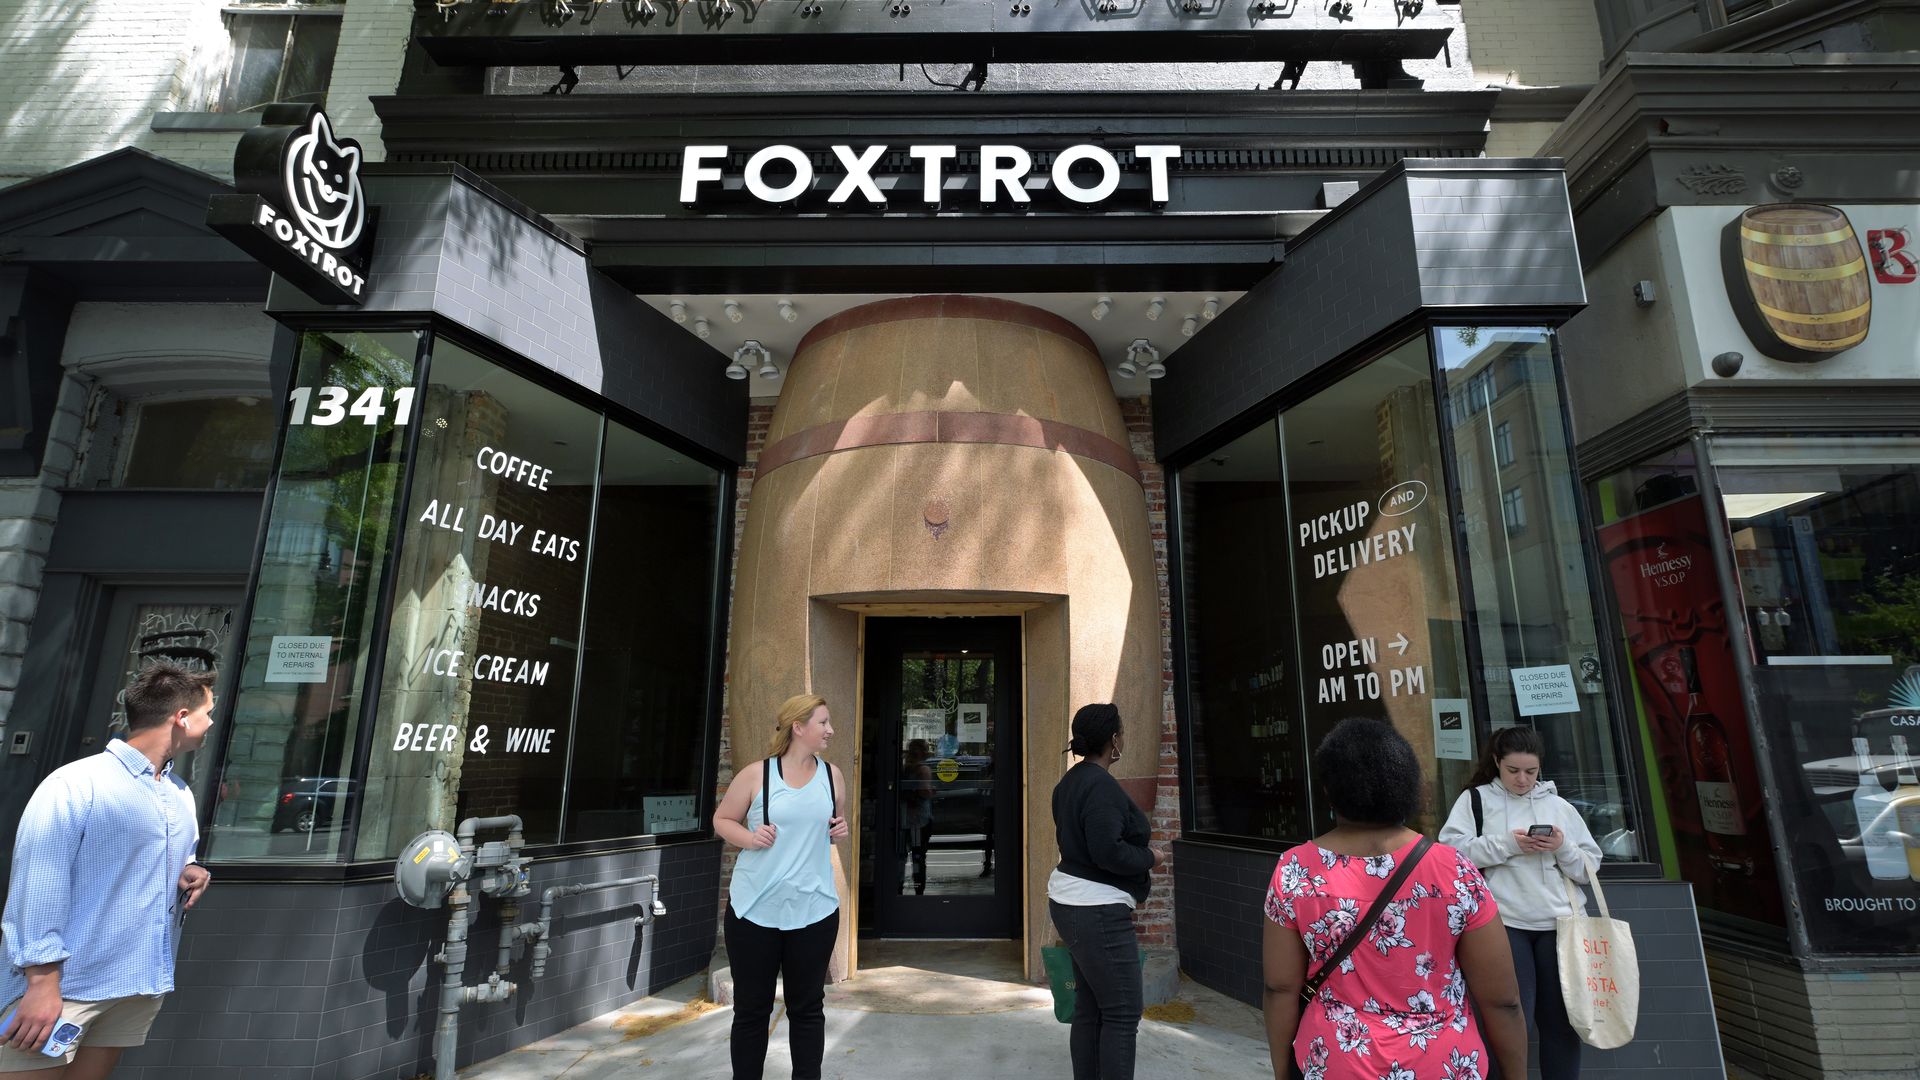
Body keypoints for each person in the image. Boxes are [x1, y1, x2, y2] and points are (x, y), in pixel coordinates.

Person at [1263, 718, 1527, 1080]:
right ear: (1406, 784)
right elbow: (1502, 1001)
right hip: (1443, 1063)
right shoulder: (1455, 870)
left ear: (1328, 789)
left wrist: (1282, 1072)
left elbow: (1280, 987)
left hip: (1336, 1063)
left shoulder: (1296, 870)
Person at [0, 661, 217, 1078]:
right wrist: (43, 985)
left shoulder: (178, 792)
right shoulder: (76, 784)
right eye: (207, 713)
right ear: (182, 717)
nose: (210, 724)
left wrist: (189, 870)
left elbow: (161, 859)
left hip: (136, 983)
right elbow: (37, 887)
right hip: (66, 988)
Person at [1439, 725, 1603, 1080]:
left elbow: (1589, 869)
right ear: (1497, 762)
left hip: (1561, 926)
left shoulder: (1559, 806)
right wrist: (1508, 844)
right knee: (1510, 1019)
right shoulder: (1476, 800)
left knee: (1562, 1022)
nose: (1523, 779)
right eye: (1513, 770)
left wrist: (1561, 847)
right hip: (1502, 922)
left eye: (1531, 771)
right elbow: (1451, 854)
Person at [711, 693, 849, 1080]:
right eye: (823, 722)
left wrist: (840, 830)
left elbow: (833, 826)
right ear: (798, 727)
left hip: (814, 909)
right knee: (752, 1010)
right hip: (755, 910)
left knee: (807, 1009)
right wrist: (750, 838)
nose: (830, 730)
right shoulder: (757, 775)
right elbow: (723, 819)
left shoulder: (831, 775)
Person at [1048, 703, 1163, 1080]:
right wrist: (1150, 856)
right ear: (1114, 740)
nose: (1125, 738)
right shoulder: (1100, 786)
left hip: (1073, 903)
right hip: (1096, 910)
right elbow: (1107, 851)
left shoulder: (1070, 782)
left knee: (1091, 1008)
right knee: (1123, 1012)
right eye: (1123, 732)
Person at [898, 739, 934, 894]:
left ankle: (898, 888)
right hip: (919, 819)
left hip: (905, 818)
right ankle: (919, 890)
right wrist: (932, 791)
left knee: (902, 855)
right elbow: (924, 792)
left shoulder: (905, 768)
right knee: (918, 856)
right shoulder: (923, 769)